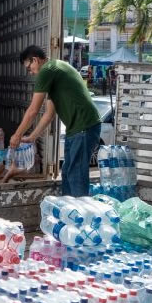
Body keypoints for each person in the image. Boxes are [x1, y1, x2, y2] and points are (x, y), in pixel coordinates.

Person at [10, 45, 101, 196]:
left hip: (84, 126)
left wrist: (17, 135)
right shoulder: (56, 69)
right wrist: (32, 137)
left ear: (36, 60)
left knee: (75, 175)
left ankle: (81, 215)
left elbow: (33, 110)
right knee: (67, 173)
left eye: (29, 68)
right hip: (77, 128)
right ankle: (69, 212)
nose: (31, 72)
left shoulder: (47, 70)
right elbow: (49, 114)